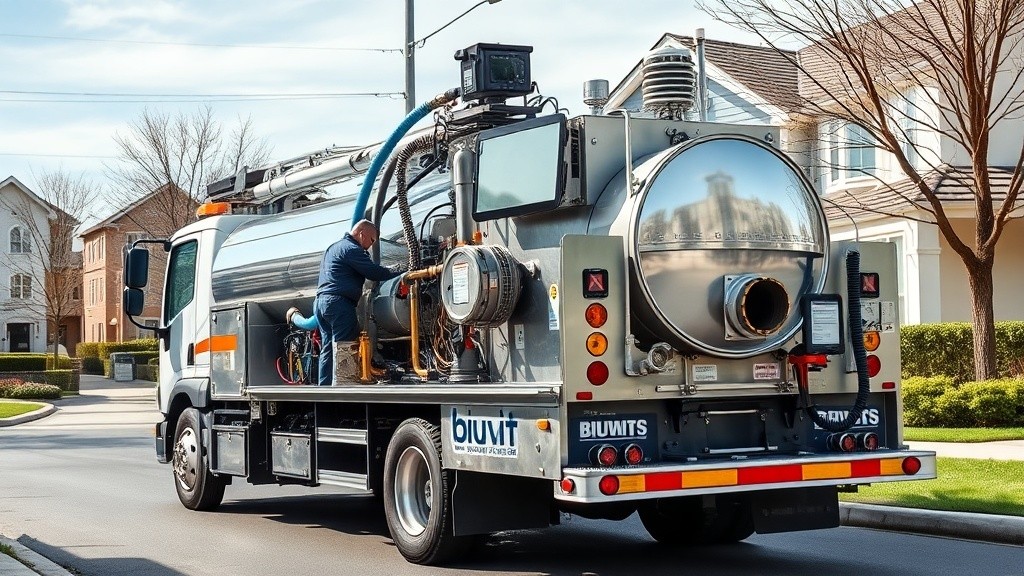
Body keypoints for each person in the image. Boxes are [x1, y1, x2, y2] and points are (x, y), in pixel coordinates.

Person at [315, 220, 401, 385]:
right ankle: (343, 387)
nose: (370, 245)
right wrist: (402, 271)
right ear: (362, 234)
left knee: (328, 348)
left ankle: (324, 388)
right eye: (372, 240)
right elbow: (374, 272)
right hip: (339, 303)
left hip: (321, 303)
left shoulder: (333, 247)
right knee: (344, 345)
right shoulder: (352, 250)